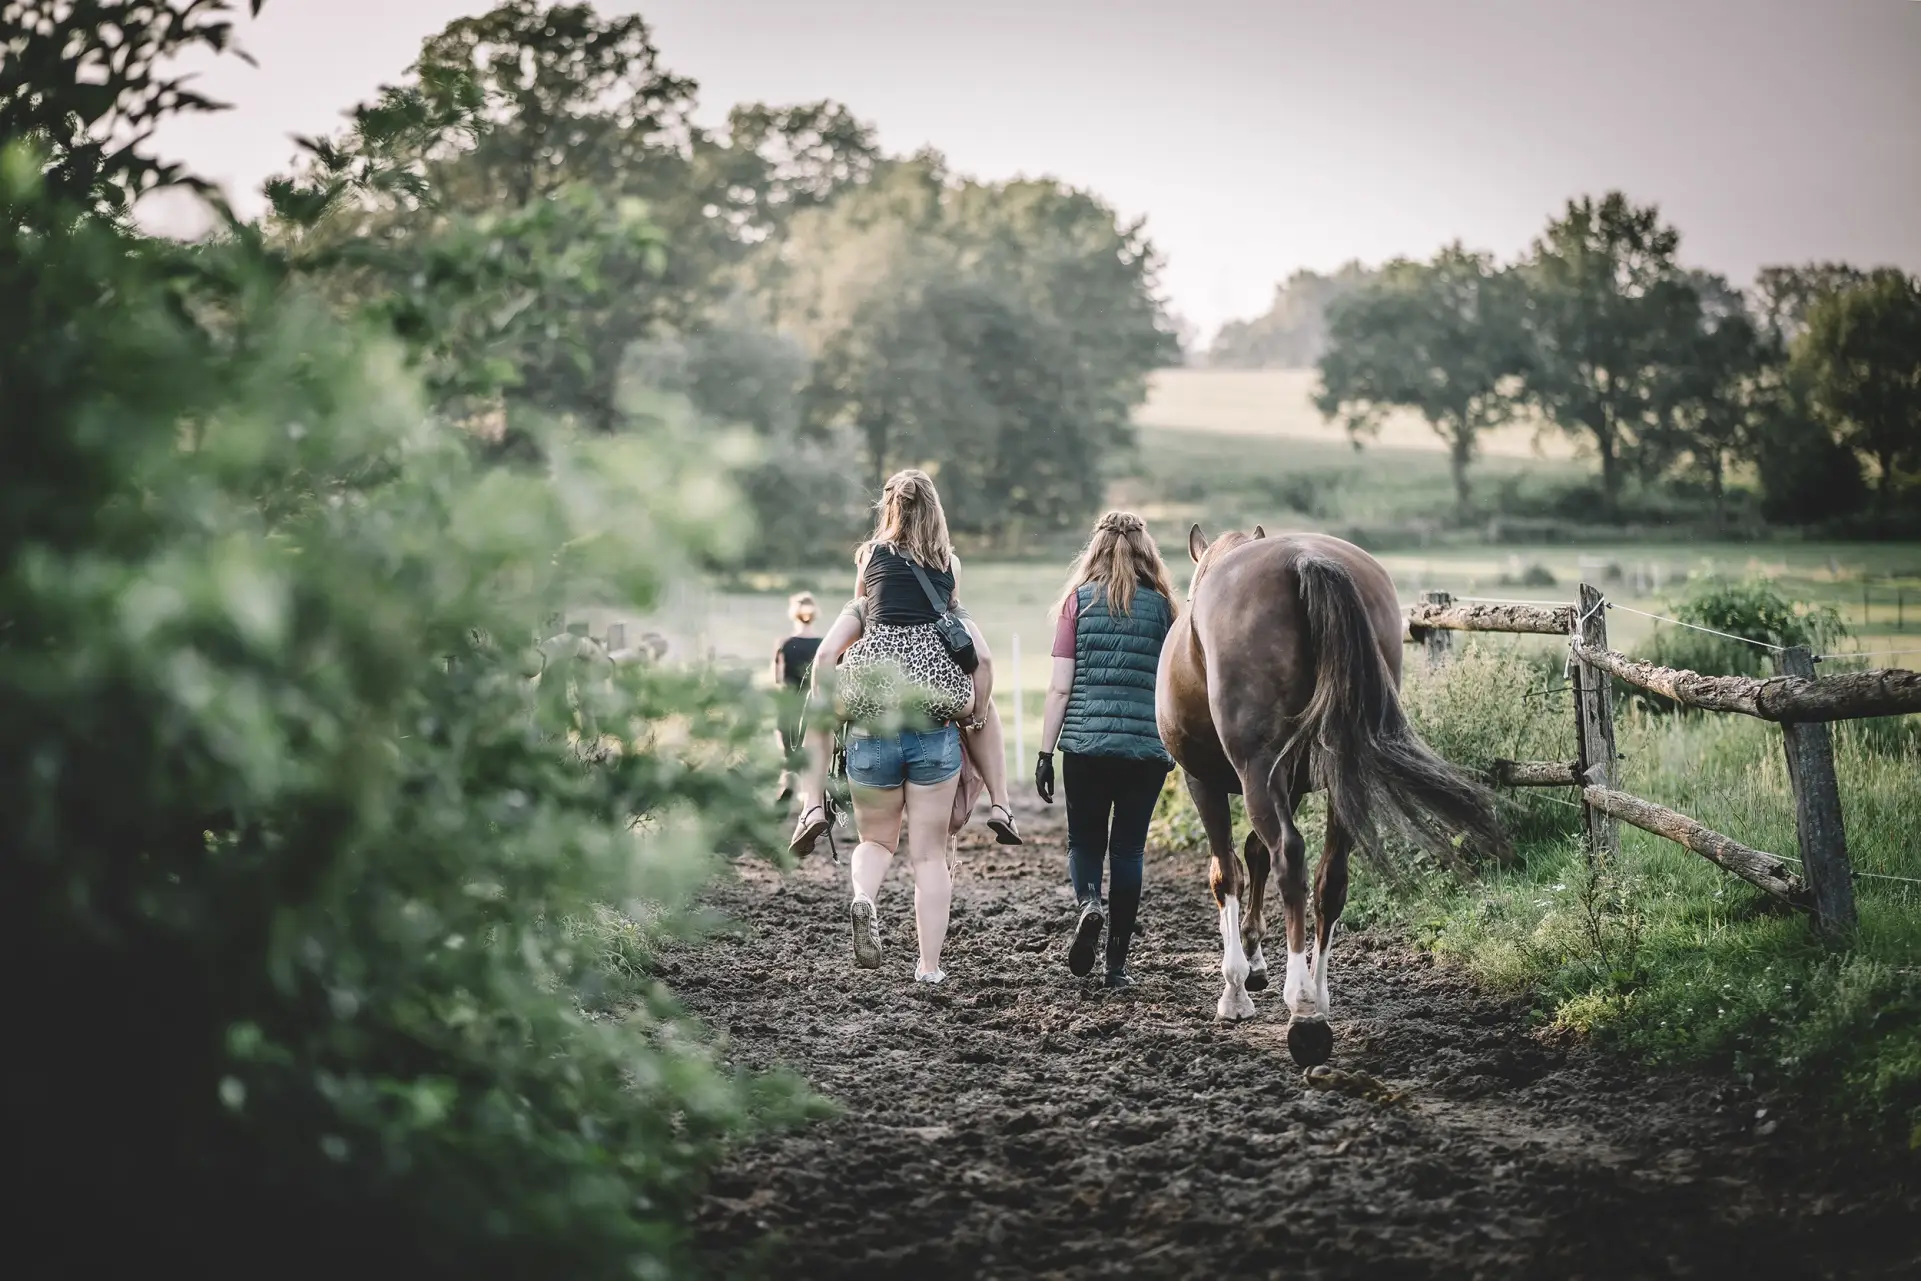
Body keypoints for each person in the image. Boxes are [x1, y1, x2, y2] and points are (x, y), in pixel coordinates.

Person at [792, 469, 1003, 983]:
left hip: (870, 723)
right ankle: (928, 968)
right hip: (931, 724)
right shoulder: (949, 562)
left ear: (888, 508)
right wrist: (974, 713)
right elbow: (965, 637)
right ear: (935, 510)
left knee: (876, 841)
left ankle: (862, 893)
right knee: (929, 856)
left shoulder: (870, 557)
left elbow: (856, 619)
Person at [1035, 511, 1179, 989]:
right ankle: (1117, 967)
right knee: (1129, 851)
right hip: (1145, 748)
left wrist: (1044, 752)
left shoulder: (1076, 603)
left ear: (1094, 550)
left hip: (1085, 745)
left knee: (1084, 842)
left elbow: (1059, 689)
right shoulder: (1164, 609)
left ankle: (1089, 903)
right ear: (1146, 552)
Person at [772, 592, 822, 802]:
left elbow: (776, 678)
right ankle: (811, 795)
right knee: (814, 751)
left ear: (793, 614)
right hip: (813, 705)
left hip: (790, 703)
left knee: (788, 750)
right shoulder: (823, 644)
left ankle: (788, 784)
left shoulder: (784, 643)